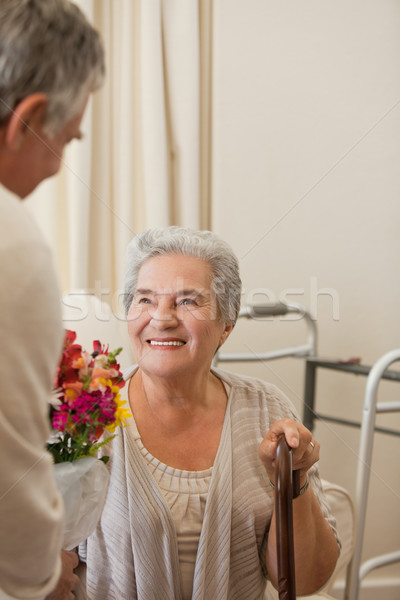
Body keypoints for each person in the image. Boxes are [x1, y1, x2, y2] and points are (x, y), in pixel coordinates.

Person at [78, 226, 340, 599]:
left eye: (187, 301)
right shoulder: (86, 412)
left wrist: (292, 481)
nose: (162, 318)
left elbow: (305, 579)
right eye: (145, 299)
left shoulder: (266, 408)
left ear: (226, 328)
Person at [0, 1, 105, 599]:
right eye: (65, 139)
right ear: (28, 118)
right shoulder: (10, 239)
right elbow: (8, 468)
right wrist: (43, 578)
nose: (57, 165)